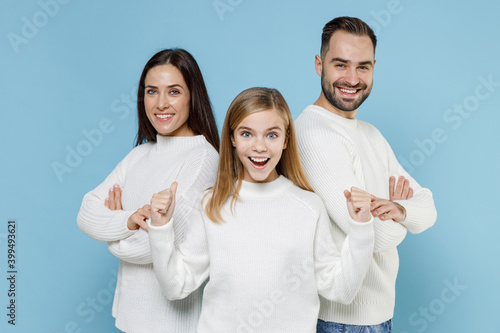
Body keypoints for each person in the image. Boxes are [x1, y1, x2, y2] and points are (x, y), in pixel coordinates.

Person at [147, 87, 375, 332]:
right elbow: (175, 286)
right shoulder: (211, 204)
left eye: (271, 135)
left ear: (286, 139)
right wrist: (160, 228)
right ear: (232, 138)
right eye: (247, 134)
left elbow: (340, 289)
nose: (259, 147)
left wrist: (361, 228)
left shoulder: (309, 207)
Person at [294, 17, 438, 332]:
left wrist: (398, 209)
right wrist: (402, 219)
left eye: (363, 67)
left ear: (374, 67)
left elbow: (428, 210)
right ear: (319, 64)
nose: (352, 78)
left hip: (379, 316)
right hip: (340, 321)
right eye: (340, 64)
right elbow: (374, 236)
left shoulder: (370, 134)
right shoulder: (312, 133)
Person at [77, 49, 220, 333]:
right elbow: (85, 213)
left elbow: (150, 249)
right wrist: (128, 221)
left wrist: (113, 239)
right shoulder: (140, 155)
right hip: (131, 318)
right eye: (152, 91)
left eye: (174, 91)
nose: (161, 104)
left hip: (172, 324)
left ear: (193, 96)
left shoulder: (203, 159)